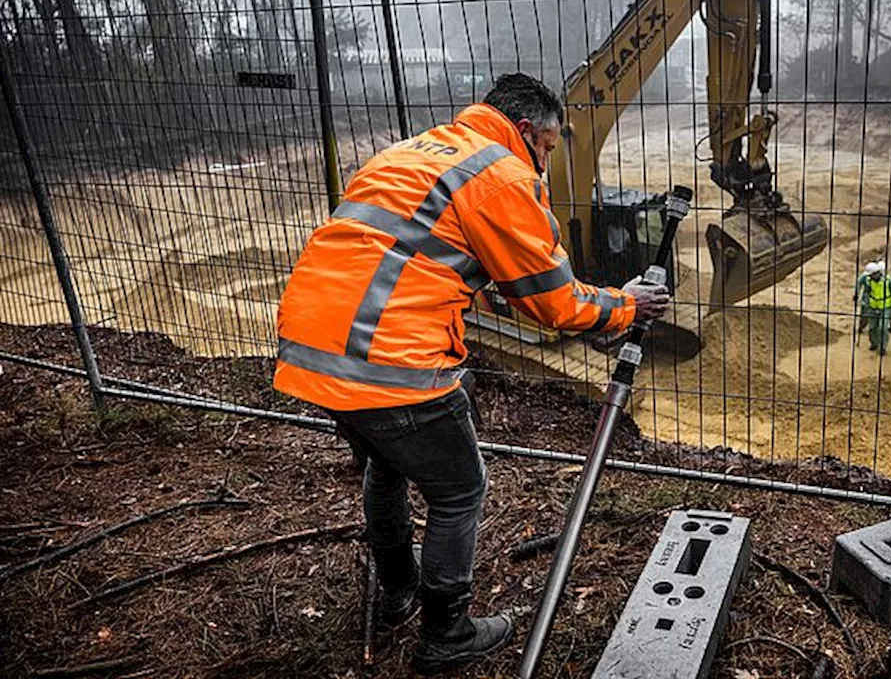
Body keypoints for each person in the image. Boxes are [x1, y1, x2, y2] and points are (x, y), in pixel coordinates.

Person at [273, 73, 670, 675]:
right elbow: (555, 304)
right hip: (390, 359)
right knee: (459, 489)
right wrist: (627, 305)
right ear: (527, 131)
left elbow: (422, 257)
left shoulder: (411, 151)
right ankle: (446, 632)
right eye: (550, 146)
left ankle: (399, 593)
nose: (546, 161)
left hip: (313, 349)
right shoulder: (501, 174)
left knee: (387, 465)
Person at [862, 262, 891, 355]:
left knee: (882, 327)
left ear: (876, 273)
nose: (870, 277)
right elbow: (866, 292)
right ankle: (874, 343)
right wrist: (864, 301)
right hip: (872, 307)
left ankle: (883, 347)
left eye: (871, 275)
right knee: (872, 327)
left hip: (885, 307)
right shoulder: (868, 281)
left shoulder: (889, 281)